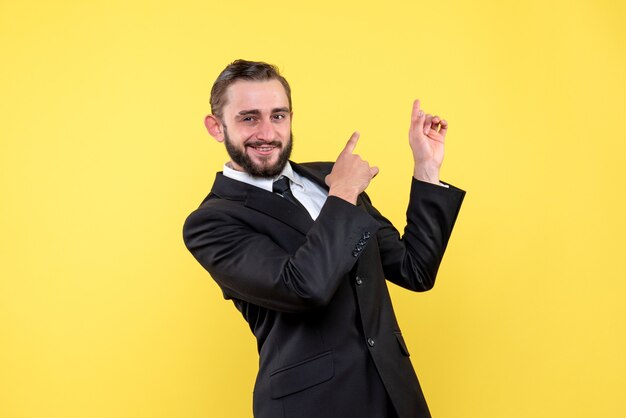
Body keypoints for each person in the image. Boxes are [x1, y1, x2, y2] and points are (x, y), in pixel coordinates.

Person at [183, 59, 465, 418]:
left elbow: (414, 269)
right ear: (216, 127)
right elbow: (304, 288)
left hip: (394, 395)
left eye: (278, 115)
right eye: (248, 118)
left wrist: (426, 168)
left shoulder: (328, 179)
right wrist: (344, 191)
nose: (267, 132)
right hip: (312, 406)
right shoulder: (211, 222)